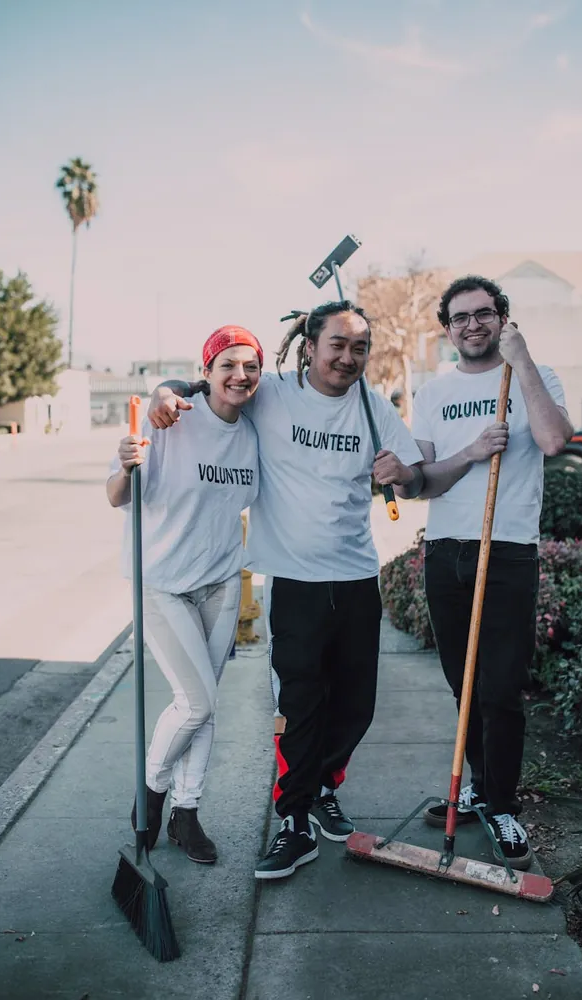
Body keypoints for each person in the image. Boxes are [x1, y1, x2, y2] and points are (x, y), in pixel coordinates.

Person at [147, 300, 425, 880]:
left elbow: (419, 474)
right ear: (310, 347)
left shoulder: (375, 409)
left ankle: (322, 786)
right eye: (337, 346)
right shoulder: (271, 392)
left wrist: (403, 472)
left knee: (356, 706)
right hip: (294, 581)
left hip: (354, 577)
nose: (347, 357)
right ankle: (293, 821)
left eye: (359, 349)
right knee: (299, 705)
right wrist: (162, 390)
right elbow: (208, 381)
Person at [411, 275, 573, 870]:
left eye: (484, 314)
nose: (472, 324)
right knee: (465, 684)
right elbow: (423, 480)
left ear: (502, 318)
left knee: (501, 689)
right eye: (460, 317)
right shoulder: (431, 393)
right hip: (447, 549)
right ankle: (477, 786)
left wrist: (522, 359)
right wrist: (474, 452)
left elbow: (555, 440)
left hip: (506, 551)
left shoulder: (535, 375)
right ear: (446, 328)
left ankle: (500, 803)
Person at [106, 326, 262, 864]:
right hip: (162, 583)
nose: (241, 376)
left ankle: (186, 813)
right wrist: (127, 461)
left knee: (206, 705)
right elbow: (114, 495)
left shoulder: (252, 432)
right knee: (196, 702)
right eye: (229, 366)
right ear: (208, 372)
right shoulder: (169, 419)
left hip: (220, 582)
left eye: (251, 367)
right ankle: (150, 796)